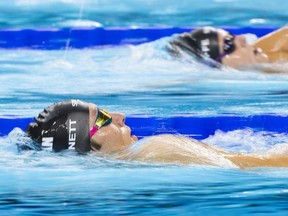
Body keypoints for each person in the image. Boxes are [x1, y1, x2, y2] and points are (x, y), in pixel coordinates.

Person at [26, 99, 288, 169]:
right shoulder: (157, 150)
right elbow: (254, 166)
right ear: (90, 146)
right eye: (104, 118)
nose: (120, 117)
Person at [168, 26, 288, 72]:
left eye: (232, 35)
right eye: (229, 45)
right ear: (216, 64)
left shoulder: (278, 44)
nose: (242, 38)